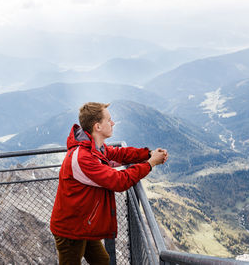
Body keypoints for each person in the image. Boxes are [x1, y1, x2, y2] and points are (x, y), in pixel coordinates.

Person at [50, 102, 168, 265]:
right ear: (97, 126)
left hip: (82, 223)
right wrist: (150, 164)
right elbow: (120, 181)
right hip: (70, 229)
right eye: (109, 120)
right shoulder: (84, 158)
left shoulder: (94, 148)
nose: (112, 123)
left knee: (103, 261)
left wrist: (147, 154)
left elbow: (119, 154)